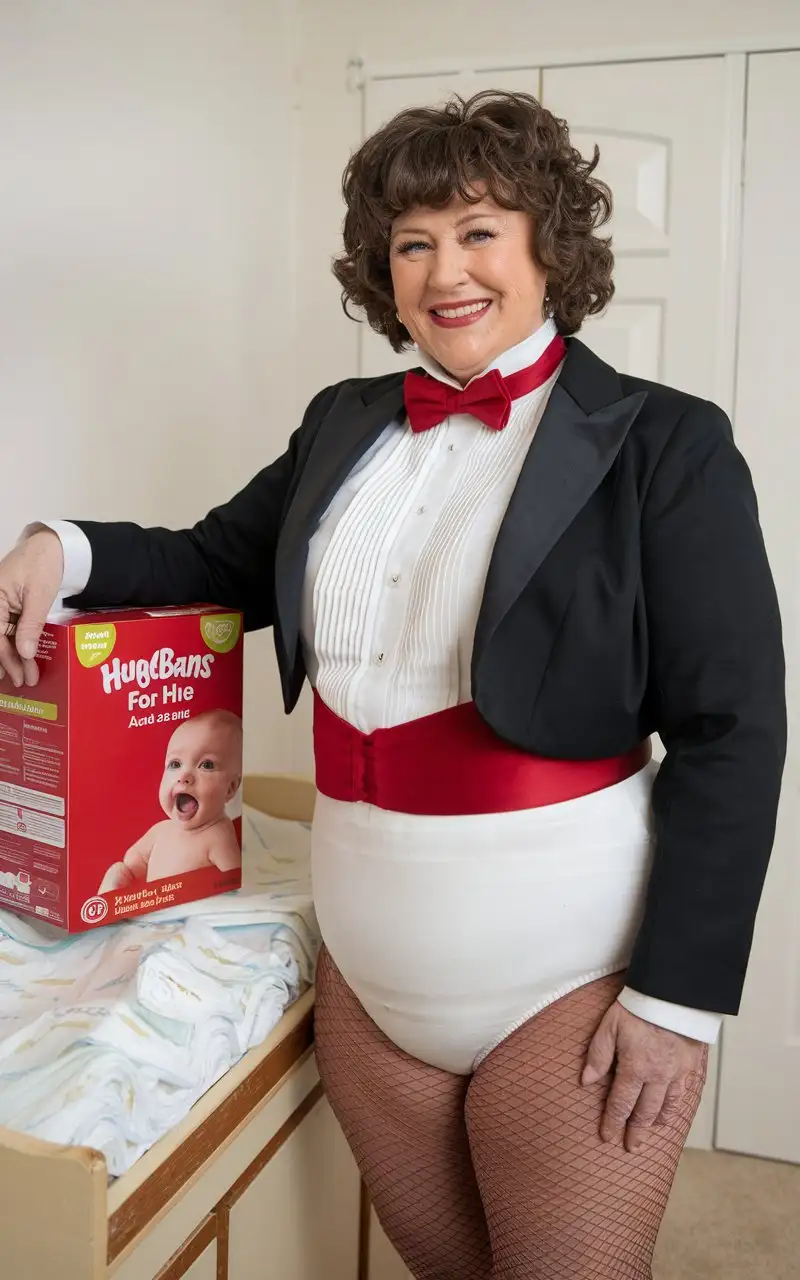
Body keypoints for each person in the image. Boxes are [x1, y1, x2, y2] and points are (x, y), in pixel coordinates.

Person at [0, 92, 786, 1278]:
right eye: (411, 242)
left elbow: (734, 729)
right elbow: (221, 558)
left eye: (477, 230)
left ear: (546, 244)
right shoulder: (343, 422)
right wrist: (63, 545)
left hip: (565, 976)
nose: (443, 270)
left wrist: (676, 1001)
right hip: (370, 987)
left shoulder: (666, 442)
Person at [98, 709, 243, 891]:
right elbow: (135, 861)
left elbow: (234, 881)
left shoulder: (218, 837)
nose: (184, 776)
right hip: (155, 906)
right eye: (175, 764)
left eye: (206, 765)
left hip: (188, 911)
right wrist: (128, 872)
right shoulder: (161, 830)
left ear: (230, 788)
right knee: (116, 871)